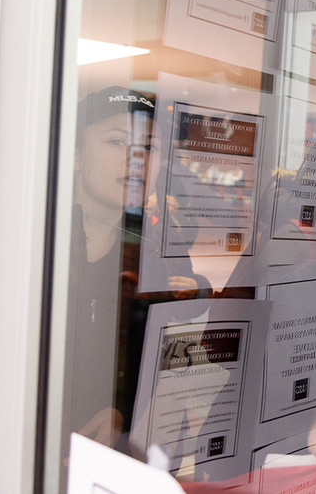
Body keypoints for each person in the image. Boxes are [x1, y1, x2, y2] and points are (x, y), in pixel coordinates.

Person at [62, 86, 209, 463]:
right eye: (116, 141)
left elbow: (161, 346)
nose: (136, 160)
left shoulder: (154, 245)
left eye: (149, 147)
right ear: (76, 155)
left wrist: (121, 409)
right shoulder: (36, 246)